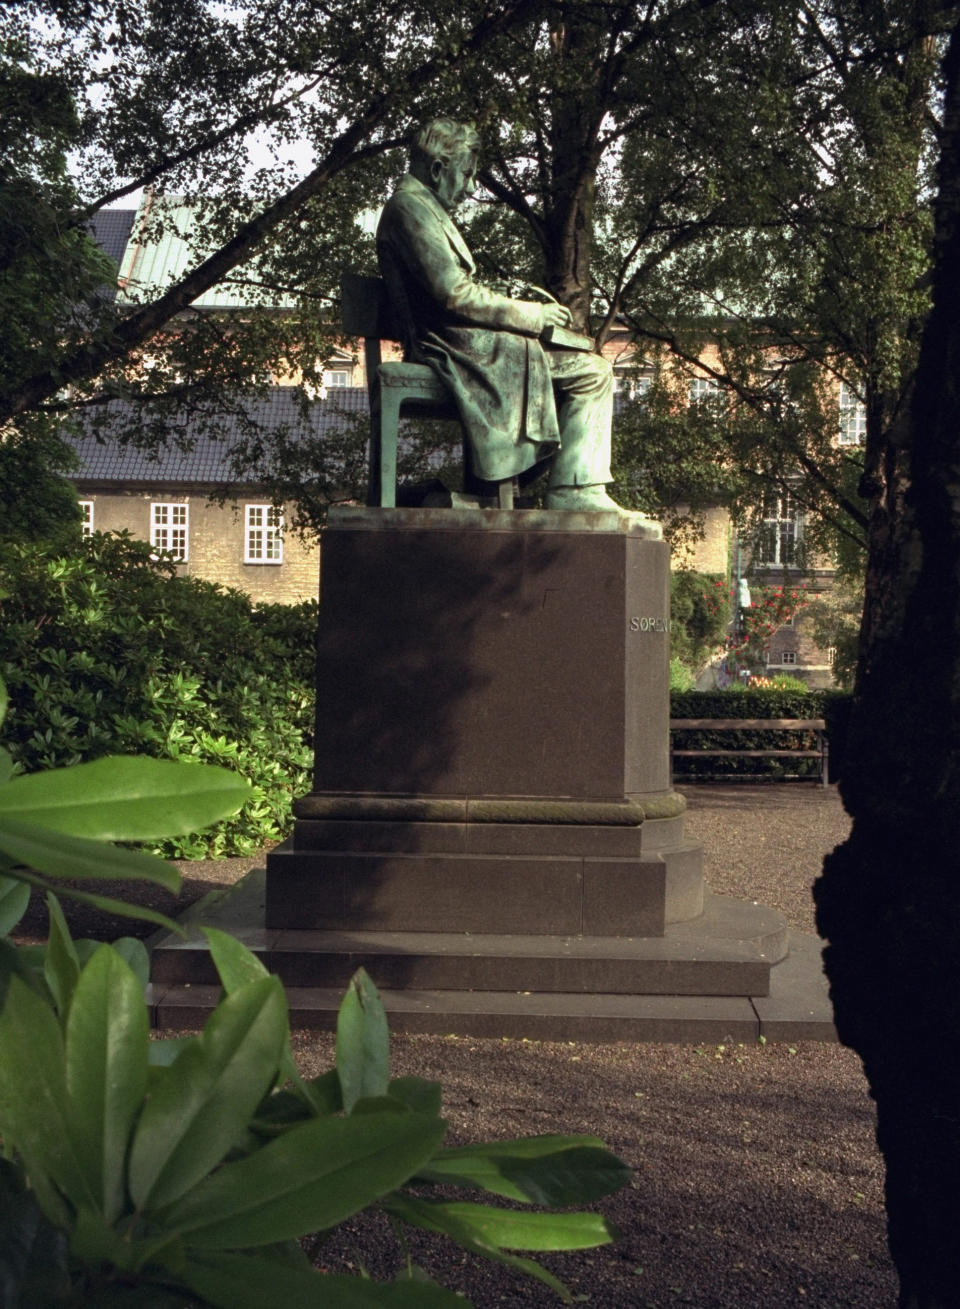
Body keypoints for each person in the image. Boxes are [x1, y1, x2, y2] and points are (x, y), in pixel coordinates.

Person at [376, 119, 623, 511]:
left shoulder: (420, 207)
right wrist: (532, 316)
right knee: (591, 373)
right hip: (455, 349)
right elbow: (455, 295)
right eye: (467, 174)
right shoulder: (410, 209)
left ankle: (518, 489)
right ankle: (573, 492)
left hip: (470, 344)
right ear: (439, 169)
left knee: (587, 367)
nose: (471, 187)